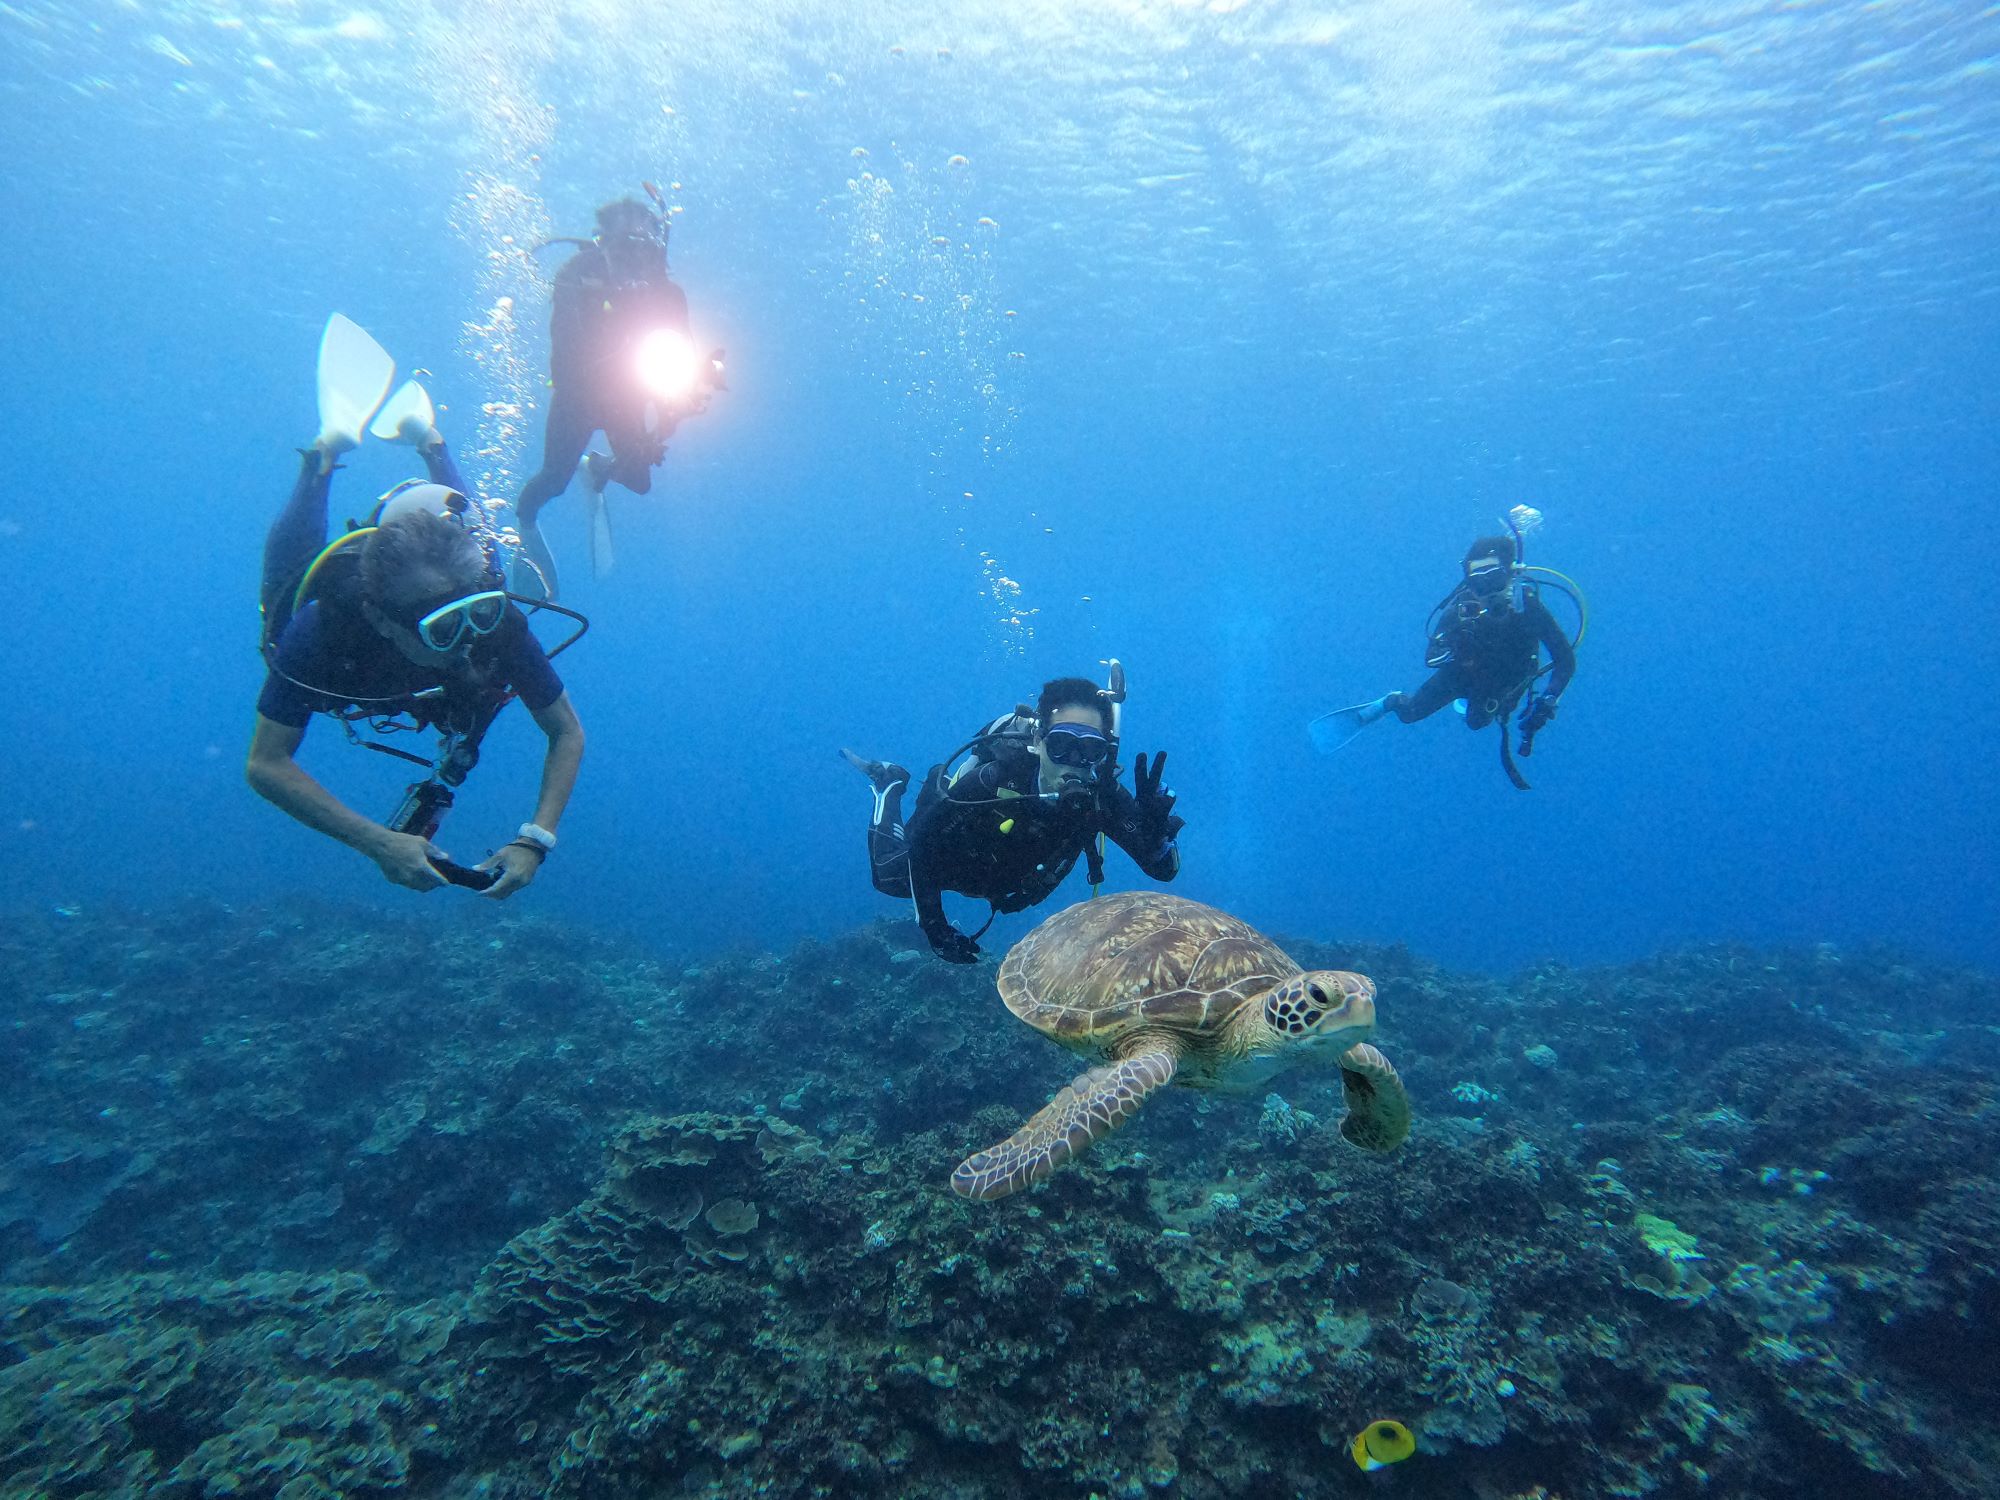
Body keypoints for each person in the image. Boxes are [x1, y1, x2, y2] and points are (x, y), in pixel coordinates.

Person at [247, 316, 585, 897]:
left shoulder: (492, 616)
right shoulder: (326, 629)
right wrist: (377, 841)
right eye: (441, 628)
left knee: (479, 543)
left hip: (464, 566)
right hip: (338, 604)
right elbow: (266, 764)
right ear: (380, 619)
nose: (471, 640)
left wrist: (536, 839)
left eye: (475, 615)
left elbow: (566, 732)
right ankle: (325, 453)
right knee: (286, 584)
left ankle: (430, 440)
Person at [843, 671, 1184, 963]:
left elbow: (1164, 871)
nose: (1073, 761)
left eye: (1090, 749)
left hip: (1008, 884)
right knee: (887, 877)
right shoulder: (993, 780)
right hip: (952, 861)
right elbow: (921, 849)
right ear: (1038, 741)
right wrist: (935, 928)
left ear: (1104, 753)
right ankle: (890, 783)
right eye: (1062, 744)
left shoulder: (1103, 798)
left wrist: (1157, 839)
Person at [513, 189, 721, 593]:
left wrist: (687, 392)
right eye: (624, 245)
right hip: (578, 396)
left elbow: (681, 348)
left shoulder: (669, 294)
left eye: (643, 245)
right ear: (602, 242)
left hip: (627, 395)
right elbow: (565, 346)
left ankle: (598, 469)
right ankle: (524, 521)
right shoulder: (575, 276)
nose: (633, 257)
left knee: (639, 479)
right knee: (553, 480)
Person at [1335, 529, 1579, 788]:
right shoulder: (1460, 611)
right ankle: (1389, 702)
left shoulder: (1529, 609)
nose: (1486, 591)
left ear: (1510, 575)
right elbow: (1431, 658)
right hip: (1463, 674)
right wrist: (1455, 644)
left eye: (1494, 578)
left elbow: (1565, 661)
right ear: (1467, 582)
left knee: (1478, 722)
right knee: (1410, 714)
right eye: (1478, 582)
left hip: (1510, 677)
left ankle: (1468, 706)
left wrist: (1549, 698)